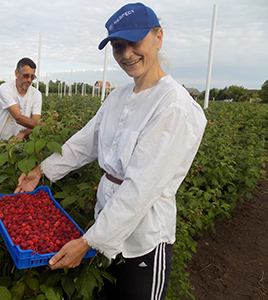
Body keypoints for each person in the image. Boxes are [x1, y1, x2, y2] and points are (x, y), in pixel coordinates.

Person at [14, 3, 207, 299]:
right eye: (118, 46)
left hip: (144, 237)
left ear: (158, 37)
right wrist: (40, 171)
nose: (126, 54)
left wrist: (89, 241)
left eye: (134, 42)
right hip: (106, 222)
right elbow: (86, 140)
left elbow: (140, 190)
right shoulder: (119, 95)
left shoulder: (174, 107)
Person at [0, 57, 43, 143]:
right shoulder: (6, 88)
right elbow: (18, 118)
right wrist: (44, 126)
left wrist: (23, 133)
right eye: (26, 76)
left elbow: (35, 122)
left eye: (32, 77)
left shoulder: (36, 94)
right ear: (16, 73)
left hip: (18, 144)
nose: (29, 80)